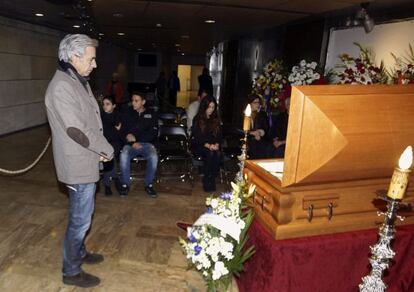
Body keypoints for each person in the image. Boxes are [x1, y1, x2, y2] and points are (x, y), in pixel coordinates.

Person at [45, 34, 114, 288]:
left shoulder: (76, 79)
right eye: (91, 59)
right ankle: (71, 270)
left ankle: (79, 252)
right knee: (80, 219)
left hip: (86, 159)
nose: (94, 64)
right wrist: (105, 148)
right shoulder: (62, 85)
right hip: (77, 163)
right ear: (74, 57)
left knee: (85, 214)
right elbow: (77, 130)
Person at [119, 92, 158, 197]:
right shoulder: (127, 114)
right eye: (132, 100)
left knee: (153, 156)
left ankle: (148, 185)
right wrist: (132, 142)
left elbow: (153, 132)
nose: (133, 103)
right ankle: (125, 185)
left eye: (136, 101)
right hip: (130, 145)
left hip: (147, 144)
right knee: (124, 155)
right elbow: (122, 131)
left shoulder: (152, 114)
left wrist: (137, 139)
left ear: (143, 102)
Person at [191, 95, 222, 192]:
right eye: (209, 107)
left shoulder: (216, 119)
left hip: (212, 146)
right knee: (211, 153)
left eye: (213, 107)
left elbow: (219, 135)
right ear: (204, 107)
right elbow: (198, 137)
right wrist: (209, 146)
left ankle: (211, 177)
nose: (211, 110)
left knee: (217, 153)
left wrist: (217, 143)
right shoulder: (197, 119)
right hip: (199, 145)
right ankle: (207, 179)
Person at [100, 95, 123, 196]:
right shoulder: (100, 116)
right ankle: (115, 179)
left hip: (116, 142)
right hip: (103, 142)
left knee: (110, 151)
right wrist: (114, 129)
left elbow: (119, 133)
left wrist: (113, 131)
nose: (105, 106)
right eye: (103, 104)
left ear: (114, 105)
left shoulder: (118, 115)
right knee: (108, 153)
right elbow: (103, 132)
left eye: (108, 104)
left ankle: (107, 184)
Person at [246, 95, 270, 159]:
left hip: (259, 139)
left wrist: (259, 132)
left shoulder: (262, 114)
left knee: (261, 145)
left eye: (258, 102)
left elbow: (266, 128)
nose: (257, 104)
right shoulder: (245, 114)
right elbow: (240, 128)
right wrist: (251, 133)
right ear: (250, 104)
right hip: (247, 138)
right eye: (255, 102)